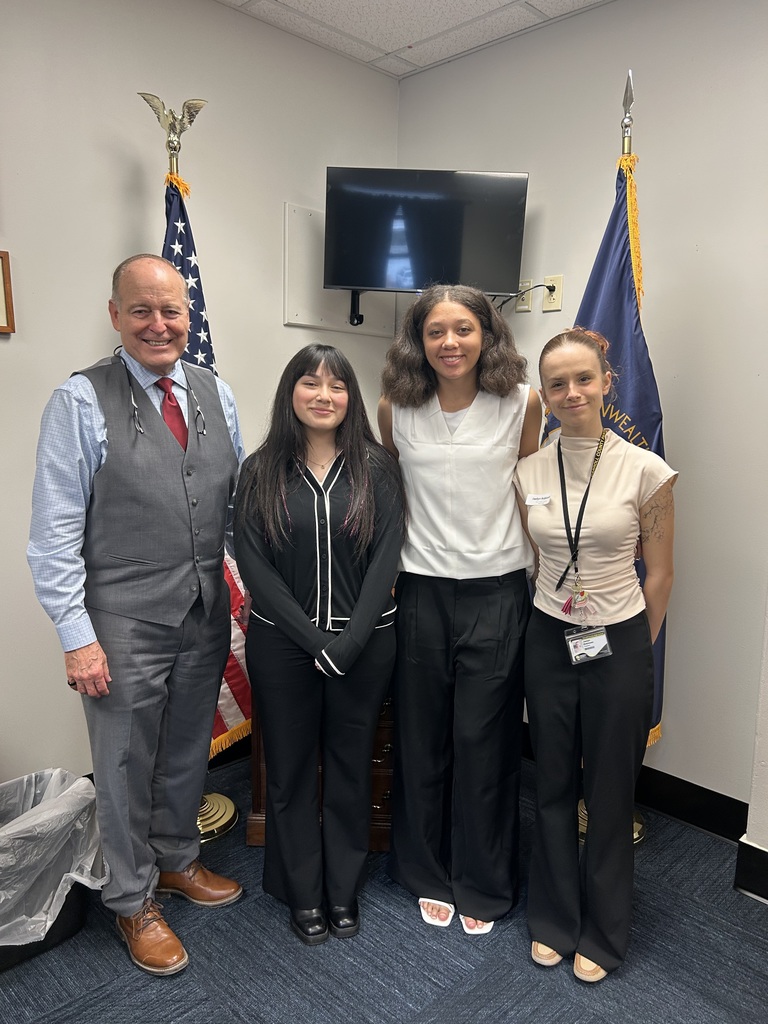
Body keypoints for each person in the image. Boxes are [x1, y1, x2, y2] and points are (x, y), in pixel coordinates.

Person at [27, 254, 245, 976]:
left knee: (187, 749)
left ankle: (178, 858)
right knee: (122, 766)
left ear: (188, 315)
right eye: (142, 310)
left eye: (172, 310)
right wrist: (77, 638)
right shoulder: (79, 400)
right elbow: (53, 534)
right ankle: (130, 900)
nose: (160, 323)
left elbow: (233, 506)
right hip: (119, 622)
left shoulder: (216, 392)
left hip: (205, 610)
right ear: (115, 314)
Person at [514, 327, 676, 983]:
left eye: (585, 378)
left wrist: (631, 653)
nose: (572, 392)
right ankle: (553, 915)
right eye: (558, 383)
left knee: (609, 791)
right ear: (545, 396)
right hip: (549, 636)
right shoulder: (528, 469)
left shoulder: (647, 470)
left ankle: (605, 932)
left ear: (608, 383)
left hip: (618, 639)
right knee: (551, 783)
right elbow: (533, 557)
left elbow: (660, 575)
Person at [378, 284, 541, 934]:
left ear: (487, 335)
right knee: (421, 738)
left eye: (464, 329)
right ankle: (423, 871)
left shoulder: (522, 404)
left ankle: (484, 879)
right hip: (418, 591)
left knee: (485, 740)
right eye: (436, 331)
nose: (450, 343)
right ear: (418, 340)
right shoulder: (395, 407)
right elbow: (389, 498)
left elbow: (534, 498)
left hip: (497, 591)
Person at [233, 343, 406, 945]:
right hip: (285, 647)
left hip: (365, 645)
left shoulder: (378, 467)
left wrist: (349, 641)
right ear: (291, 394)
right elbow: (254, 566)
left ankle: (342, 888)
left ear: (350, 399)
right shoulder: (259, 470)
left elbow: (389, 556)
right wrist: (315, 641)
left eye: (337, 386)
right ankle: (301, 890)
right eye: (310, 383)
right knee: (288, 772)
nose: (324, 395)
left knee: (351, 770)